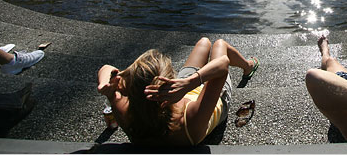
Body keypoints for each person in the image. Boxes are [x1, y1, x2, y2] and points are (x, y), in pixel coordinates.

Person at [97, 38, 259, 146]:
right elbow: (222, 65)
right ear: (168, 79)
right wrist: (188, 83)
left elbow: (106, 68)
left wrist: (104, 85)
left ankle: (242, 66)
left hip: (179, 87)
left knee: (203, 42)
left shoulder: (128, 116)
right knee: (219, 44)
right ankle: (248, 66)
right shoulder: (189, 121)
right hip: (204, 94)